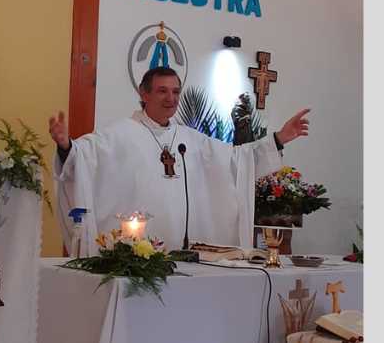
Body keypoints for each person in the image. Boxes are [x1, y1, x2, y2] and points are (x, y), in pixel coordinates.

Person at [49, 67, 309, 256]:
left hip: (188, 257)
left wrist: (278, 139)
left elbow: (235, 161)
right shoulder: (119, 134)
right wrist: (65, 146)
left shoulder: (191, 140)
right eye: (162, 91)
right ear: (144, 93)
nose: (171, 98)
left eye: (175, 91)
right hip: (139, 260)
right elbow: (81, 158)